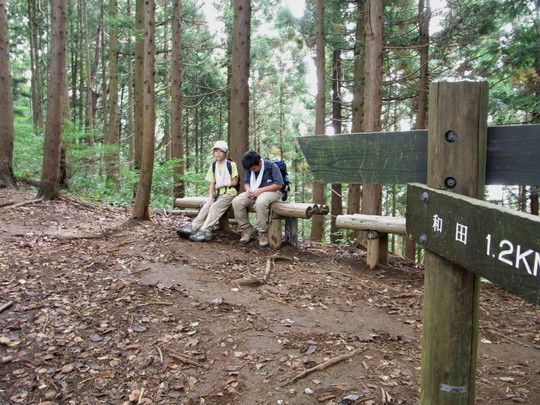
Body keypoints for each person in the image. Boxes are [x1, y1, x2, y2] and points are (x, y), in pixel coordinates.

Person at [176, 140, 239, 242]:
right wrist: (210, 197)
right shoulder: (213, 166)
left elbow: (235, 182)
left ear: (226, 152)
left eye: (221, 151)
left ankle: (205, 230)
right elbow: (212, 183)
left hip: (229, 193)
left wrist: (223, 184)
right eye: (216, 151)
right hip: (218, 194)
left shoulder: (231, 165)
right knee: (207, 206)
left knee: (215, 207)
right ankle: (194, 226)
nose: (218, 153)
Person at [232, 151, 284, 248]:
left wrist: (261, 190)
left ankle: (263, 232)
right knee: (237, 201)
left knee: (260, 202)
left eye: (254, 168)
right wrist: (247, 189)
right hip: (254, 191)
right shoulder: (250, 168)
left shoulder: (271, 166)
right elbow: (246, 182)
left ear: (260, 162)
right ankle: (247, 228)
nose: (252, 170)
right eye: (250, 169)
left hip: (272, 191)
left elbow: (279, 184)